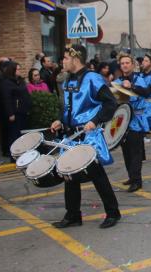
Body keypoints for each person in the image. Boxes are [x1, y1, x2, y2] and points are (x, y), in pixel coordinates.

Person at [50, 44, 121, 229]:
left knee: (97, 176)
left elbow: (110, 104)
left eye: (65, 58)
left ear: (75, 58)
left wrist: (95, 121)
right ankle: (73, 215)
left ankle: (113, 212)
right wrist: (59, 120)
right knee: (69, 175)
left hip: (89, 135)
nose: (62, 61)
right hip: (71, 135)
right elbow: (65, 107)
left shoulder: (93, 79)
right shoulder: (67, 80)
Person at [113, 53, 150, 192]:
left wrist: (131, 86)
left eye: (127, 63)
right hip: (123, 121)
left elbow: (145, 92)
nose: (125, 65)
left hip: (136, 120)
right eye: (122, 63)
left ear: (132, 65)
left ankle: (137, 180)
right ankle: (131, 176)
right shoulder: (117, 81)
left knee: (136, 152)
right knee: (126, 151)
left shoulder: (139, 79)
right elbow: (114, 99)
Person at [1, 62, 32, 162]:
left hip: (23, 111)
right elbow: (7, 99)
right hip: (15, 112)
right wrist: (10, 113)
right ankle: (14, 156)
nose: (19, 71)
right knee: (14, 135)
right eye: (17, 69)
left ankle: (23, 154)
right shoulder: (7, 83)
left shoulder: (20, 81)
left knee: (22, 135)